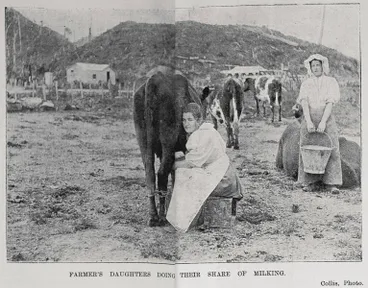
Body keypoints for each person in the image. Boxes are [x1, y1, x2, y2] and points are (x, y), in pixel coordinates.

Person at [166, 103, 243, 232]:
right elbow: (196, 157)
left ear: (199, 120)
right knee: (187, 172)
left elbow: (191, 163)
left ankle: (189, 220)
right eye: (184, 120)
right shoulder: (205, 131)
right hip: (223, 174)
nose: (186, 124)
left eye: (190, 120)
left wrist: (169, 165)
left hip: (224, 179)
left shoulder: (203, 135)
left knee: (185, 175)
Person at [296, 54, 342, 193]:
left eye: (318, 65)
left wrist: (323, 122)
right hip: (309, 116)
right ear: (310, 68)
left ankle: (331, 182)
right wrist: (309, 121)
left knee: (332, 146)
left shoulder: (330, 81)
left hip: (326, 116)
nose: (316, 68)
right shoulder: (306, 83)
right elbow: (304, 102)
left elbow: (330, 103)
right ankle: (310, 182)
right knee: (307, 148)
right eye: (313, 66)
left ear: (323, 66)